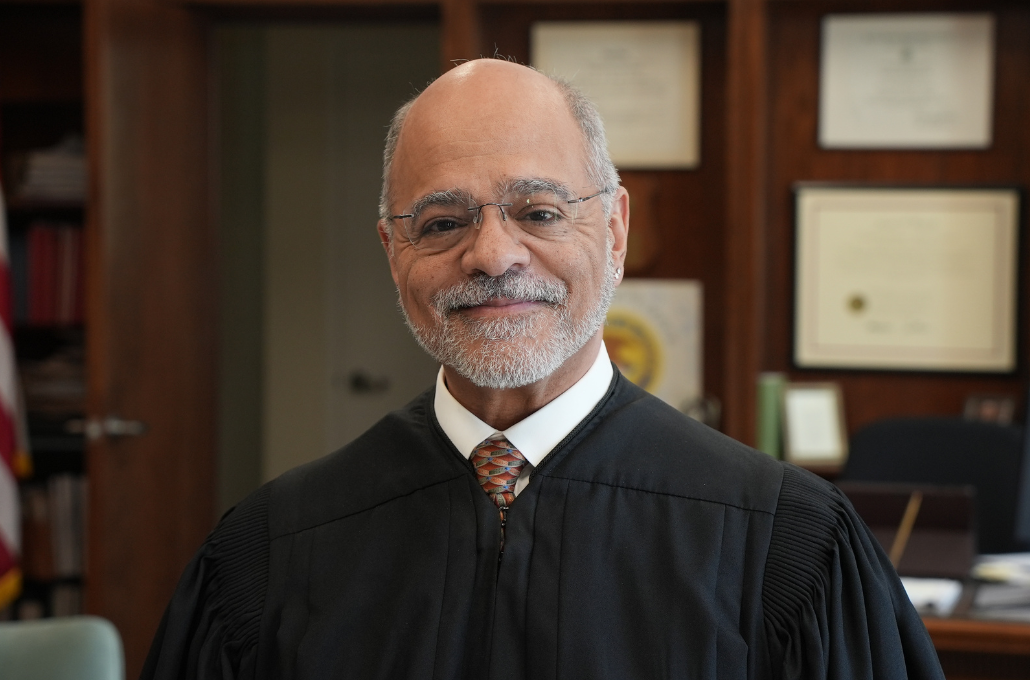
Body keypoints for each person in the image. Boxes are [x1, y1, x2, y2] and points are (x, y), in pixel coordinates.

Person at [142, 59, 944, 679]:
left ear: (616, 228)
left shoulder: (785, 547)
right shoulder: (272, 552)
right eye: (443, 220)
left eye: (540, 212)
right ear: (393, 253)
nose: (492, 255)